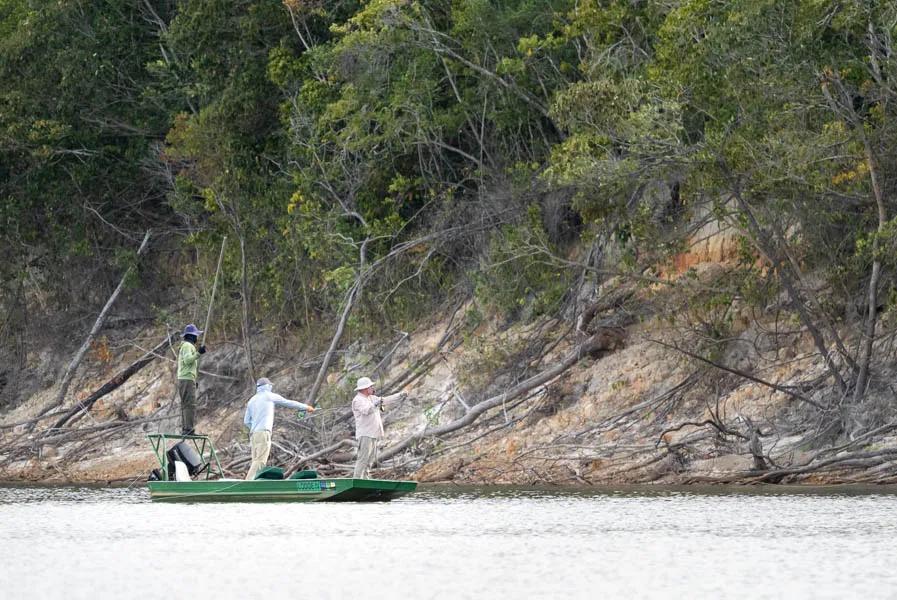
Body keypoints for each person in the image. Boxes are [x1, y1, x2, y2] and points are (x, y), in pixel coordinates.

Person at [243, 377, 315, 480]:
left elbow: (246, 421)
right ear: (267, 386)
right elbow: (288, 403)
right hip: (263, 433)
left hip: (254, 434)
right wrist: (305, 407)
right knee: (260, 460)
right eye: (270, 385)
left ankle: (253, 482)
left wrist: (255, 428)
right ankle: (249, 483)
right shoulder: (269, 396)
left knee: (255, 460)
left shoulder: (251, 400)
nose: (272, 387)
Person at [351, 376, 406, 479]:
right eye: (371, 386)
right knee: (363, 459)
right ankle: (357, 480)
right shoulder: (357, 400)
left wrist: (399, 395)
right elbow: (366, 410)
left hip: (373, 434)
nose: (373, 388)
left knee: (370, 460)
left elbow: (385, 400)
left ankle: (365, 480)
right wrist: (375, 404)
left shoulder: (371, 398)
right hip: (365, 434)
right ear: (365, 388)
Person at [177, 323, 206, 435]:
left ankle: (186, 428)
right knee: (190, 404)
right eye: (196, 336)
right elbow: (188, 360)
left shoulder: (184, 346)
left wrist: (194, 379)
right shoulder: (188, 346)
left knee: (186, 404)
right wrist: (199, 353)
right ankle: (188, 429)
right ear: (192, 336)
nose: (197, 338)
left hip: (185, 378)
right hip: (186, 379)